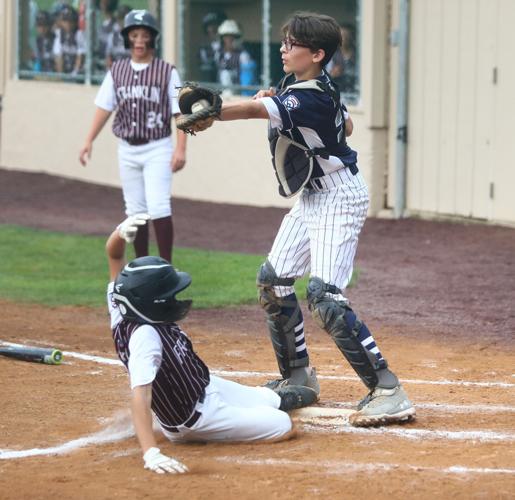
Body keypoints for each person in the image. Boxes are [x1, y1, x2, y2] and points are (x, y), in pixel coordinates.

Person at [188, 12, 416, 427]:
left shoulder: (307, 95)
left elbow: (261, 111)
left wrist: (217, 111)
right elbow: (343, 124)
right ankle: (299, 376)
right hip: (313, 198)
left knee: (325, 296)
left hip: (338, 199)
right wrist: (279, 106)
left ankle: (388, 390)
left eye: (292, 44)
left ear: (317, 54)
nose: (282, 48)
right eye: (285, 42)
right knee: (273, 282)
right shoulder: (311, 86)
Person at [105, 214, 317, 474]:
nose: (175, 298)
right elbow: (140, 395)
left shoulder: (121, 305)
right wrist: (151, 452)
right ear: (152, 303)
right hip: (196, 418)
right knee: (282, 424)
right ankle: (204, 433)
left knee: (270, 399)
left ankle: (267, 400)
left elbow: (114, 256)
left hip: (204, 386)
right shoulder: (145, 338)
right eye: (168, 295)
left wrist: (120, 233)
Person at [79, 10, 187, 263]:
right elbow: (105, 107)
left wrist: (181, 149)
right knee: (135, 211)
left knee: (159, 206)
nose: (140, 40)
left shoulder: (167, 71)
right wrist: (88, 140)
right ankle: (142, 267)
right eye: (134, 35)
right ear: (127, 39)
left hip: (157, 146)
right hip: (127, 148)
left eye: (145, 35)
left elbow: (179, 114)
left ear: (153, 39)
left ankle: (165, 267)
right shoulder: (117, 71)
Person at [216, 19, 256, 96]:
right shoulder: (219, 55)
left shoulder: (243, 56)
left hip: (237, 95)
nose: (228, 40)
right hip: (221, 93)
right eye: (226, 37)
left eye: (232, 37)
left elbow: (247, 81)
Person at [53, 5, 86, 75]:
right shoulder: (59, 34)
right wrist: (62, 75)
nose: (68, 23)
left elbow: (81, 56)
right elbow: (58, 57)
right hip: (64, 72)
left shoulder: (79, 34)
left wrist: (74, 74)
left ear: (75, 21)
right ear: (61, 22)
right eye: (65, 20)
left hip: (78, 74)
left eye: (70, 20)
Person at [326, 24, 357, 96]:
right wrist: (332, 75)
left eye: (346, 35)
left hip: (354, 91)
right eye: (341, 35)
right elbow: (325, 77)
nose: (344, 38)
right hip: (338, 92)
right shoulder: (332, 55)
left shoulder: (357, 56)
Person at [198, 11, 225, 82]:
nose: (213, 29)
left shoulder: (230, 48)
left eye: (216, 25)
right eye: (209, 26)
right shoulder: (204, 50)